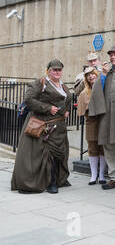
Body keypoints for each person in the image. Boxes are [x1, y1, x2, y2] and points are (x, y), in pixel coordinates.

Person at [11, 59, 72, 194]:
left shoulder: (63, 86)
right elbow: (29, 99)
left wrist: (66, 111)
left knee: (58, 155)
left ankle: (56, 180)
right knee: (47, 155)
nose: (57, 72)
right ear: (48, 70)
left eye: (59, 70)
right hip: (43, 125)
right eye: (54, 69)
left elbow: (64, 101)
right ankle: (51, 183)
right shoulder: (41, 83)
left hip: (59, 126)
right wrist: (47, 108)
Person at [89, 45, 115, 190]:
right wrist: (102, 74)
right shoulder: (106, 72)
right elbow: (95, 90)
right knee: (108, 145)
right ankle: (114, 177)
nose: (113, 57)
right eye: (111, 55)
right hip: (107, 115)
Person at [77, 67, 107, 185]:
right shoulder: (84, 92)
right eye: (88, 75)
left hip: (103, 119)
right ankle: (94, 175)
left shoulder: (104, 87)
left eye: (92, 74)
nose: (91, 76)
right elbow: (81, 109)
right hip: (91, 120)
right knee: (92, 147)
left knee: (103, 147)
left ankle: (101, 174)